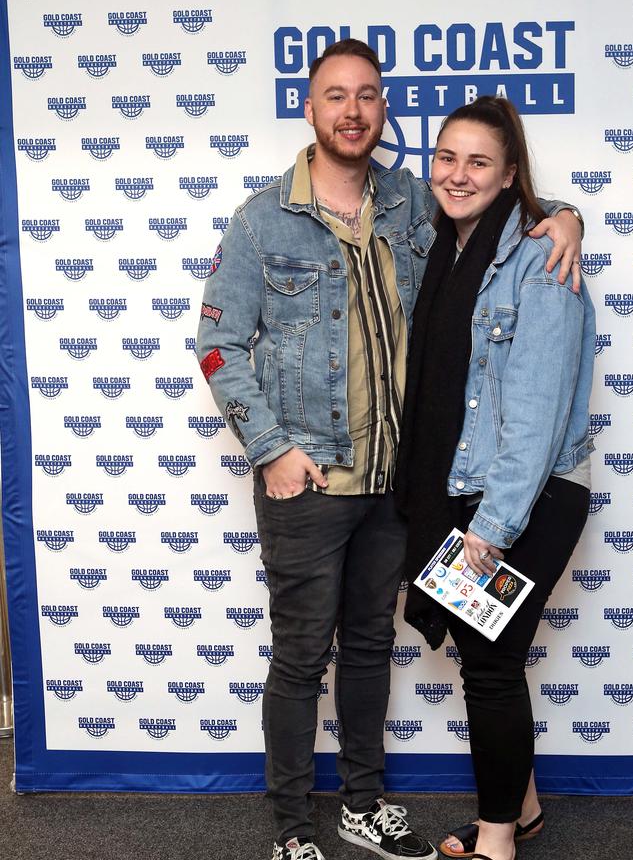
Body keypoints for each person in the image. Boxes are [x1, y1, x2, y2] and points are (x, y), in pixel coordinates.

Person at [196, 42, 584, 860]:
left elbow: (508, 219)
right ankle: (294, 828)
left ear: (382, 111)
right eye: (334, 95)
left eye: (367, 96)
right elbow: (217, 345)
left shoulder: (415, 204)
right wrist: (270, 450)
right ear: (309, 109)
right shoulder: (262, 219)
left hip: (398, 486)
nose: (352, 111)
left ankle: (363, 806)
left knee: (374, 645)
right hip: (309, 480)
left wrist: (565, 218)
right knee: (303, 653)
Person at [396, 97, 595, 860]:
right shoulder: (442, 250)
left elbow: (537, 419)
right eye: (446, 157)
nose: (458, 174)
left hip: (525, 496)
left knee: (490, 662)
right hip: (470, 486)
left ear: (511, 174)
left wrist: (492, 528)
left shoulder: (544, 261)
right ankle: (527, 808)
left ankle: (498, 839)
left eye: (479, 162)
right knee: (488, 655)